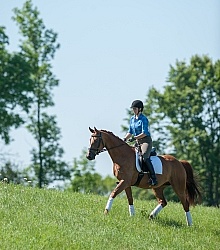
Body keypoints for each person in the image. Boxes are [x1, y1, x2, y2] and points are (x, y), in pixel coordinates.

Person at [123, 100, 158, 186]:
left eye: (135, 108)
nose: (133, 110)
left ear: (140, 109)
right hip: (137, 142)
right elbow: (130, 131)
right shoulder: (132, 119)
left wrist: (135, 138)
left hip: (146, 141)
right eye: (133, 109)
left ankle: (153, 178)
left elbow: (145, 132)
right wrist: (124, 139)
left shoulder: (144, 119)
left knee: (144, 157)